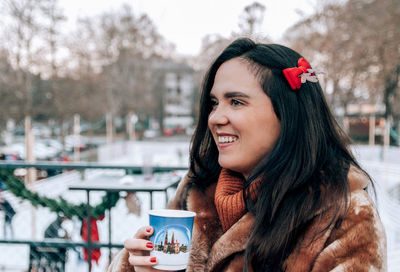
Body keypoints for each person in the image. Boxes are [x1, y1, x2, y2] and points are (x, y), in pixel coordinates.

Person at [108, 38, 386, 272]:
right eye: (214, 103)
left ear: (288, 115)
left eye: (236, 102)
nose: (215, 117)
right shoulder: (196, 189)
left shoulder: (344, 212)